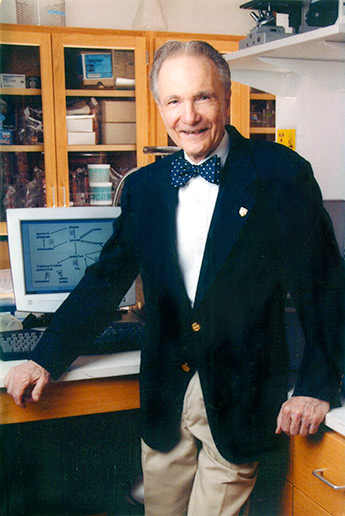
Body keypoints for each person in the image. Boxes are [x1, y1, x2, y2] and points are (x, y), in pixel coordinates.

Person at [4, 41, 344, 516]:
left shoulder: (281, 174)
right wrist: (45, 358)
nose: (190, 116)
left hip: (242, 396)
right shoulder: (145, 188)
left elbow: (325, 287)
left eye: (203, 97)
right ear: (160, 107)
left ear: (226, 98)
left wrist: (317, 385)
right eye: (174, 101)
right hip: (167, 399)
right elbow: (104, 282)